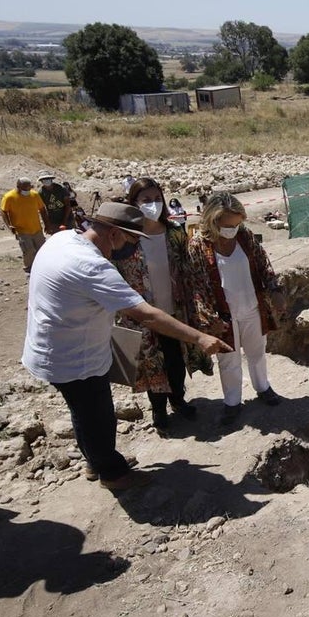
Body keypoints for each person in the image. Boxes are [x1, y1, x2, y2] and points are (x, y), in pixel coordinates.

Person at [21, 202, 230, 491]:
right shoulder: (91, 265)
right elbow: (146, 314)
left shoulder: (62, 239)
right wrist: (200, 338)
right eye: (131, 242)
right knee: (97, 416)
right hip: (74, 359)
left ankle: (97, 461)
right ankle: (113, 474)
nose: (132, 250)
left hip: (51, 350)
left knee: (82, 412)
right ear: (114, 235)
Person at [115, 179, 211, 435]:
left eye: (156, 198)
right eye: (145, 200)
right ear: (133, 203)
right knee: (150, 364)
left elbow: (190, 270)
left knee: (175, 359)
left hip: (173, 311)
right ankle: (158, 409)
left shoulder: (175, 233)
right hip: (141, 315)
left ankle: (178, 400)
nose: (153, 205)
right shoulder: (125, 238)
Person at [187, 192, 286, 425]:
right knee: (228, 360)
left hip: (252, 307)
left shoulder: (245, 237)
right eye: (227, 225)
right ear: (213, 220)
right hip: (222, 314)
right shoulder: (198, 246)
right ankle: (232, 402)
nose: (232, 229)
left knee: (257, 352)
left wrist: (275, 290)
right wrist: (208, 318)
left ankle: (263, 388)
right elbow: (196, 285)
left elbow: (264, 265)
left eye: (236, 223)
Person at [0, 176, 49, 273]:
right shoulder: (9, 197)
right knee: (29, 251)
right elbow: (3, 211)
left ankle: (42, 268)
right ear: (18, 186)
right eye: (25, 188)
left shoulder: (34, 195)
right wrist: (9, 225)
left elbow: (42, 209)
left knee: (41, 249)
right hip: (21, 230)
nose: (27, 190)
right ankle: (29, 269)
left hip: (36, 228)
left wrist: (47, 224)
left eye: (29, 188)